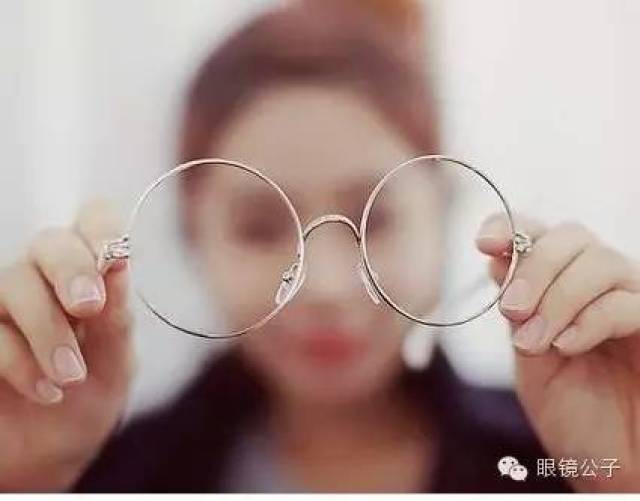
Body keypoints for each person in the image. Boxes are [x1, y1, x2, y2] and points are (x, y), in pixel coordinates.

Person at [1, 1, 639, 493]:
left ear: (444, 211)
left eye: (375, 218)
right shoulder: (104, 476)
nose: (326, 286)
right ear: (194, 235)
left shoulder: (558, 463)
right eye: (259, 227)